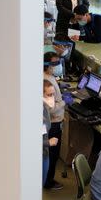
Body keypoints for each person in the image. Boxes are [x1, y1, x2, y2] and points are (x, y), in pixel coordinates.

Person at [43, 52, 71, 191]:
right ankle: (48, 181)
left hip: (54, 122)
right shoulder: (45, 82)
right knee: (52, 154)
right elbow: (51, 108)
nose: (58, 66)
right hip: (53, 123)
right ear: (47, 65)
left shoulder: (49, 78)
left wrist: (59, 88)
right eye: (54, 63)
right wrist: (64, 102)